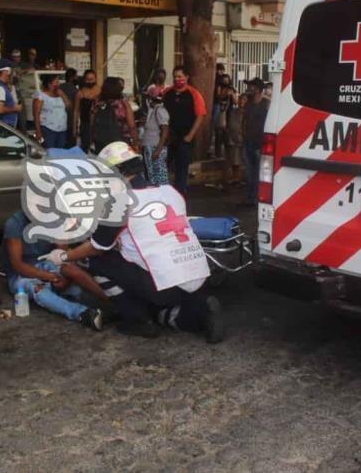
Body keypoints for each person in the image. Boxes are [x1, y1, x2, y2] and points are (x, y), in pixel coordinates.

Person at [41, 142, 224, 343]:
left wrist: (63, 256)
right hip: (197, 277)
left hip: (165, 285)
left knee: (99, 262)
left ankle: (137, 319)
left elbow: (96, 247)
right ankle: (200, 313)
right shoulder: (170, 191)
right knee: (161, 310)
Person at [2, 211, 104, 330]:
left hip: (47, 263)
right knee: (36, 288)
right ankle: (82, 313)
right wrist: (50, 277)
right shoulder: (15, 224)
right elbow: (18, 266)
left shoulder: (54, 217)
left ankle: (113, 303)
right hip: (22, 275)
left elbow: (62, 254)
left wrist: (64, 276)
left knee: (73, 280)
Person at [162, 65, 206, 196]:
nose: (177, 79)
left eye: (180, 76)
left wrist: (191, 135)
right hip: (168, 137)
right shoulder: (167, 92)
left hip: (185, 136)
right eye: (175, 77)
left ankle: (180, 193)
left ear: (187, 77)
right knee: (165, 165)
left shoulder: (194, 94)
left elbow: (200, 115)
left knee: (182, 167)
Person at [90, 77, 138, 153]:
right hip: (121, 142)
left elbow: (92, 123)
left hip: (101, 143)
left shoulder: (97, 103)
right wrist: (135, 143)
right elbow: (132, 126)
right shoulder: (123, 103)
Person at [242, 77, 270, 206]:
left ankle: (257, 198)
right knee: (249, 172)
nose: (249, 88)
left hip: (260, 143)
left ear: (258, 89)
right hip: (248, 142)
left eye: (251, 86)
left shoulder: (266, 104)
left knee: (259, 173)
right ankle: (250, 197)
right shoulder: (248, 104)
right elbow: (244, 121)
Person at [33, 73, 70, 149]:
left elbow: (69, 107)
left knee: (60, 152)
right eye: (56, 82)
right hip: (48, 129)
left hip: (62, 130)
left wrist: (63, 95)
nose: (58, 84)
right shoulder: (41, 95)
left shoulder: (60, 95)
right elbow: (36, 114)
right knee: (49, 151)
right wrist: (38, 131)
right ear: (49, 84)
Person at [141, 95, 169, 186]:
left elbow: (165, 131)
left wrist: (158, 150)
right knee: (151, 175)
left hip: (155, 147)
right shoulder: (152, 111)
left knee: (159, 176)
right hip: (149, 147)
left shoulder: (160, 111)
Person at [210, 74, 237, 161]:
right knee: (218, 133)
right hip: (220, 113)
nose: (225, 82)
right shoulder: (219, 87)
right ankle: (218, 154)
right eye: (224, 80)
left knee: (227, 134)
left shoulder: (232, 89)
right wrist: (224, 93)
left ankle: (228, 154)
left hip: (228, 113)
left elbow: (236, 101)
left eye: (227, 80)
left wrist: (231, 93)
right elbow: (218, 97)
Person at [0, 58, 22, 128]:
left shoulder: (1, 85)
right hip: (4, 127)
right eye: (10, 71)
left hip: (6, 126)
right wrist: (15, 108)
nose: (11, 74)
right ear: (4, 72)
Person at [73, 69, 99, 152]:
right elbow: (76, 111)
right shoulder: (80, 93)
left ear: (95, 79)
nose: (90, 82)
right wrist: (75, 127)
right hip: (85, 124)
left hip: (98, 125)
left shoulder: (101, 91)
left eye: (92, 79)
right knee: (85, 147)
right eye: (88, 79)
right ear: (84, 80)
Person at [226, 93, 247, 185]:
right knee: (234, 159)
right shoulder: (233, 111)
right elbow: (229, 124)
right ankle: (235, 178)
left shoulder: (248, 112)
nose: (241, 101)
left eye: (244, 99)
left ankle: (242, 178)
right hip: (233, 138)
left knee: (242, 160)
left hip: (243, 139)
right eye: (240, 99)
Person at [60, 68, 79, 147]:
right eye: (76, 77)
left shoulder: (60, 87)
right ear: (72, 78)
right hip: (70, 121)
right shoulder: (75, 90)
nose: (77, 78)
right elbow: (75, 109)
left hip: (59, 121)